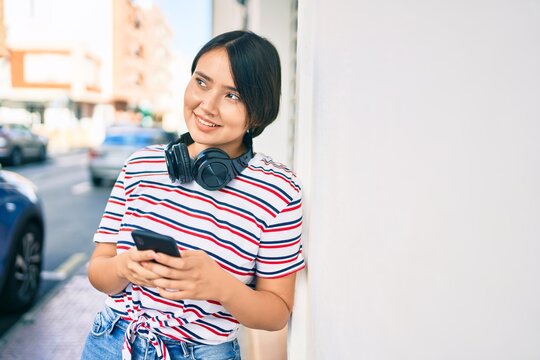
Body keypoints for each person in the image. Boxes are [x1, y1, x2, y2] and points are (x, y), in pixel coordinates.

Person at [81, 30, 305, 360]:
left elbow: (276, 313)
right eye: (202, 82)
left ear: (257, 112)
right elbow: (99, 271)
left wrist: (220, 286)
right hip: (112, 341)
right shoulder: (140, 165)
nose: (207, 106)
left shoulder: (279, 190)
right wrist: (124, 267)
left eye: (233, 96)